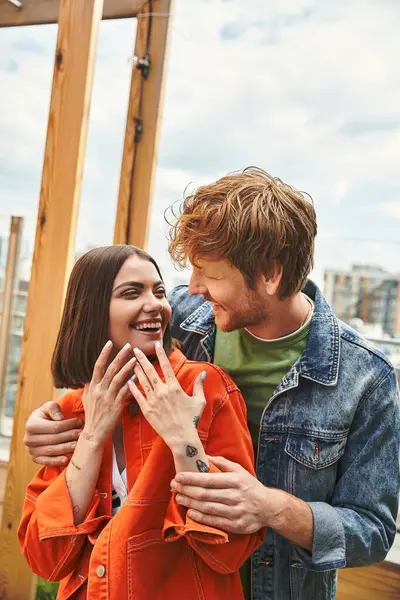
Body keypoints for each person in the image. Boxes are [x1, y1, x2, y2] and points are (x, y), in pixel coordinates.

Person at [23, 169, 400, 600]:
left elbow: (373, 531)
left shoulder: (366, 378)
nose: (194, 288)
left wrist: (272, 508)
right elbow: (102, 336)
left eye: (210, 274)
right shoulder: (180, 317)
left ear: (270, 275)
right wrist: (56, 417)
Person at [18, 245, 264, 600]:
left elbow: (230, 551)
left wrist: (183, 439)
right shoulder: (73, 408)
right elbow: (46, 559)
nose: (156, 304)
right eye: (132, 293)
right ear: (91, 311)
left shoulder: (204, 389)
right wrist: (93, 433)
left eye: (159, 291)